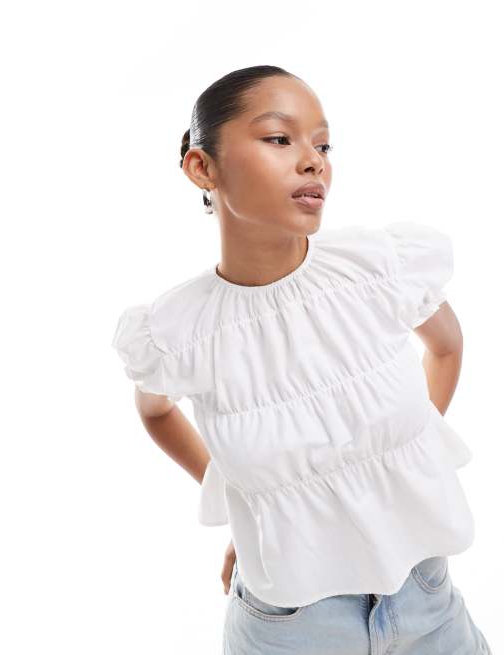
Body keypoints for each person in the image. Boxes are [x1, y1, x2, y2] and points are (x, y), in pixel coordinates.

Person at [111, 65, 492, 654]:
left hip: (429, 603)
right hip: (292, 627)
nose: (314, 161)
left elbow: (446, 348)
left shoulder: (376, 268)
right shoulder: (179, 331)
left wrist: (405, 451)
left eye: (323, 145)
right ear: (202, 168)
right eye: (279, 138)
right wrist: (255, 513)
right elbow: (155, 412)